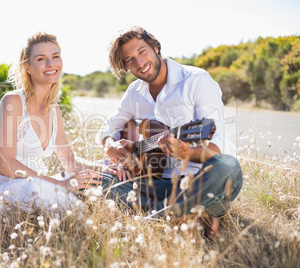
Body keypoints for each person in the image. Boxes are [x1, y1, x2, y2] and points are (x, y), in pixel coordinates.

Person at [96, 26, 243, 239]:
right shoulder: (134, 93)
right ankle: (191, 211)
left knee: (229, 167)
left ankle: (156, 218)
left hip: (199, 180)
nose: (139, 62)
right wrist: (110, 143)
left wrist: (186, 153)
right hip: (155, 183)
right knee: (94, 181)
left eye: (142, 51)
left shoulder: (196, 80)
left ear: (156, 48)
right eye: (129, 59)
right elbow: (110, 124)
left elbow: (216, 148)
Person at [0, 32, 114, 222]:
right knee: (56, 197)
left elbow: (69, 161)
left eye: (55, 56)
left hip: (33, 186)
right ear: (28, 68)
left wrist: (106, 167)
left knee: (84, 185)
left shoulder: (54, 110)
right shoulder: (13, 101)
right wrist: (61, 185)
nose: (51, 63)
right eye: (41, 59)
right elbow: (6, 166)